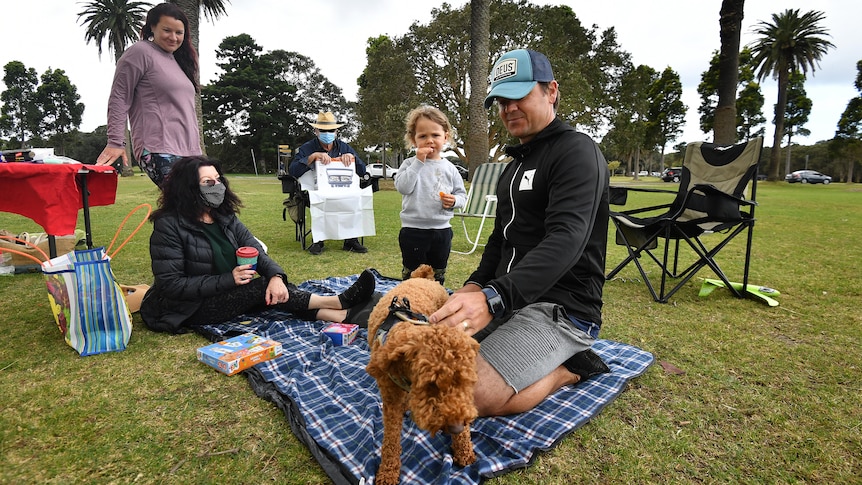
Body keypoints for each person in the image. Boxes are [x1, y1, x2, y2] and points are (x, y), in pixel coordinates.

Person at [429, 49, 611, 417]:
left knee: (468, 395)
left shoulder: (577, 152)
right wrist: (476, 285)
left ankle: (569, 369)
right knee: (430, 364)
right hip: (509, 298)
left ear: (551, 91)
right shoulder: (512, 167)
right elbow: (500, 237)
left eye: (520, 95)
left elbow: (566, 239)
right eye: (501, 100)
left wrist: (494, 298)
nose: (508, 108)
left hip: (563, 308)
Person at [140, 156, 376, 334]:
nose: (216, 185)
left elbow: (254, 248)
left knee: (278, 289)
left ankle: (342, 315)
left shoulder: (224, 216)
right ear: (189, 189)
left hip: (224, 292)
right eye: (207, 182)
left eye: (218, 180)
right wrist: (228, 279)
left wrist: (276, 276)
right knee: (261, 287)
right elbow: (171, 284)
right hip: (186, 307)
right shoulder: (169, 225)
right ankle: (337, 302)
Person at [94, 3, 202, 187]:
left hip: (191, 150)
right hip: (159, 148)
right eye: (167, 30)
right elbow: (119, 97)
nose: (174, 38)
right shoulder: (141, 52)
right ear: (152, 27)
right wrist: (115, 141)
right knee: (189, 206)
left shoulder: (181, 62)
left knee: (214, 205)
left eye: (179, 33)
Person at [394, 105, 467, 285]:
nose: (430, 141)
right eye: (423, 136)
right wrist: (418, 162)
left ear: (445, 137)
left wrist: (455, 200)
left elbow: (462, 195)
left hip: (442, 230)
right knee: (413, 274)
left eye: (435, 135)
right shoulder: (409, 164)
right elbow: (403, 187)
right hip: (413, 230)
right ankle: (410, 303)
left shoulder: (450, 168)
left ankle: (435, 302)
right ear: (413, 139)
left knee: (438, 273)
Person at [288, 111, 369, 255]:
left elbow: (362, 171)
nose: (327, 133)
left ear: (336, 131)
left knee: (356, 197)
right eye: (323, 130)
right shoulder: (307, 148)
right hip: (316, 190)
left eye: (331, 130)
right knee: (319, 199)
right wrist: (312, 157)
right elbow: (293, 170)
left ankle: (351, 240)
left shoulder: (344, 147)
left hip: (342, 190)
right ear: (316, 131)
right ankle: (318, 240)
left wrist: (353, 158)